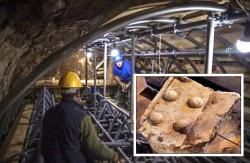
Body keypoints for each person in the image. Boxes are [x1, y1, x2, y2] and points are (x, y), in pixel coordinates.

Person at [41, 71, 118, 163]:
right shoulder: (81, 118)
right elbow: (94, 145)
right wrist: (112, 155)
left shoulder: (49, 114)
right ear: (78, 93)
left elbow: (44, 142)